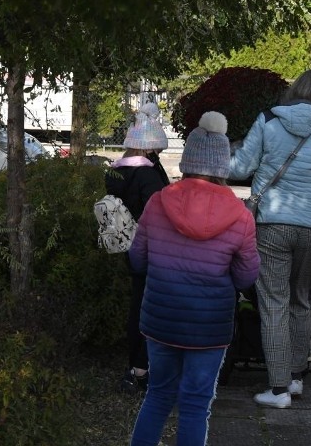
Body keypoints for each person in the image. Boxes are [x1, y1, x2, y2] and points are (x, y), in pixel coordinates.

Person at [128, 111, 260, 446]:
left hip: (161, 319)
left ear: (187, 160)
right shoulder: (241, 217)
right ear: (222, 165)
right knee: (195, 404)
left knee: (157, 396)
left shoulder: (158, 202)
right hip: (208, 325)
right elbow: (247, 276)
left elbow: (137, 259)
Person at [228, 69, 311, 409]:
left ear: (294, 91)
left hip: (272, 222)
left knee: (273, 301)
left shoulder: (268, 120)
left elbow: (240, 167)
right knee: (301, 298)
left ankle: (278, 388)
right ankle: (295, 376)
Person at [106, 102, 170, 394]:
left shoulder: (116, 173)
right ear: (148, 149)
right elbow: (159, 209)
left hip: (127, 243)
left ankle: (135, 364)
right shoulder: (147, 175)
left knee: (137, 305)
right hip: (152, 245)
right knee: (151, 307)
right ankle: (143, 367)